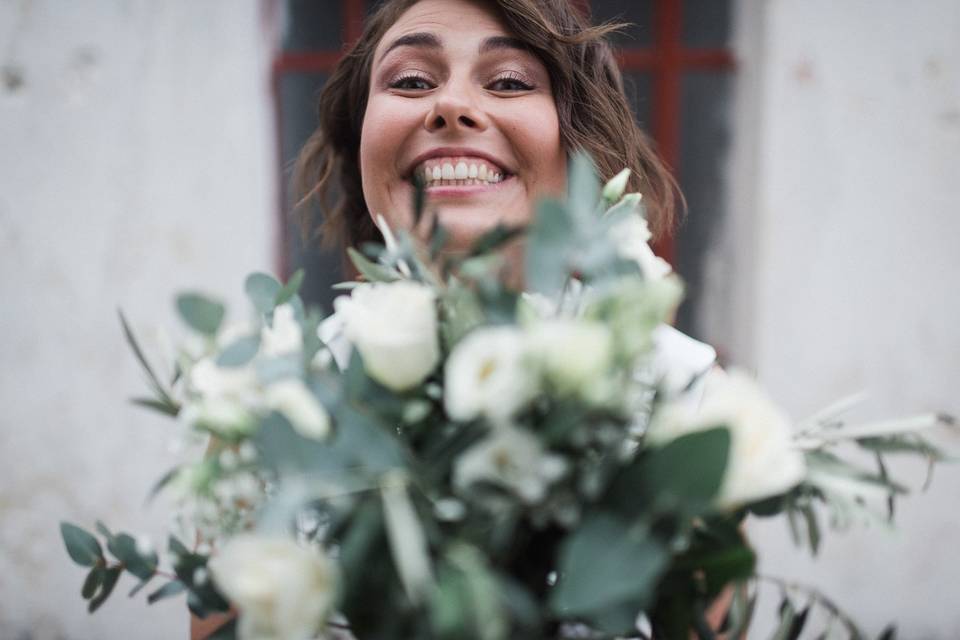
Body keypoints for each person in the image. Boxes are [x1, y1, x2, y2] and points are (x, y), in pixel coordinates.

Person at [193, 0, 718, 637]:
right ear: (365, 141)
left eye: (509, 82)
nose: (451, 107)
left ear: (577, 141)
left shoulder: (687, 415)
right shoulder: (260, 415)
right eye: (412, 80)